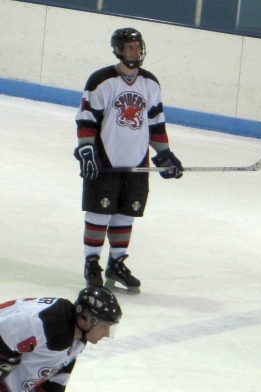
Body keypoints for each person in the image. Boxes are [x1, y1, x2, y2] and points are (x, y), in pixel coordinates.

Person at [74, 27, 183, 294]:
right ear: (118, 50)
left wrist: (164, 154)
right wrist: (86, 149)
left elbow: (156, 123)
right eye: (129, 47)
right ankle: (92, 263)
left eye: (138, 46)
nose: (135, 51)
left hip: (137, 162)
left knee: (126, 213)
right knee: (100, 212)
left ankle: (116, 263)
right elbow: (86, 119)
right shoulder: (102, 80)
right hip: (106, 162)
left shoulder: (150, 83)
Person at [0, 286, 122, 392]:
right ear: (85, 317)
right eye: (104, 326)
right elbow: (5, 328)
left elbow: (53, 384)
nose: (106, 333)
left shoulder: (77, 340)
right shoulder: (51, 323)